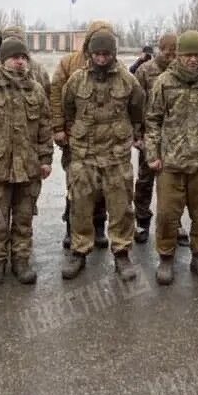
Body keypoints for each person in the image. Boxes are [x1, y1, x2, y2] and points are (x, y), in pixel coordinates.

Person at [144, 31, 198, 285]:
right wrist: (153, 154)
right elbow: (153, 121)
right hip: (171, 162)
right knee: (167, 215)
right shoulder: (164, 82)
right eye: (187, 55)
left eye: (196, 54)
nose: (192, 60)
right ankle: (166, 258)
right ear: (179, 56)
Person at [59, 29, 145, 281]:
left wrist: (129, 133)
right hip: (84, 156)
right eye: (97, 53)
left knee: (121, 209)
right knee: (80, 206)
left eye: (106, 53)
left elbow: (138, 109)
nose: (101, 58)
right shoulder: (76, 80)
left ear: (113, 54)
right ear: (90, 54)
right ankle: (79, 251)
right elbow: (68, 109)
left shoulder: (128, 81)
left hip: (116, 157)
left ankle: (121, 253)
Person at [0, 38, 53, 287]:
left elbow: (45, 128)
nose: (19, 61)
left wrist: (46, 159)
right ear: (2, 60)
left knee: (24, 217)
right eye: (14, 57)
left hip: (28, 168)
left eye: (24, 57)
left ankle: (21, 260)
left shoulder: (36, 90)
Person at [51, 20, 113, 251]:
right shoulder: (69, 63)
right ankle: (73, 228)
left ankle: (98, 226)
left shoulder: (115, 67)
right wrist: (58, 127)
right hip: (75, 137)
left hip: (106, 141)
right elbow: (56, 94)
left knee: (103, 187)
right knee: (76, 185)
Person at [133, 32, 178, 244]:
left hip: (176, 137)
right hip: (149, 134)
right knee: (145, 179)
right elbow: (135, 104)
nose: (170, 57)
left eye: (174, 53)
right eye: (167, 52)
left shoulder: (181, 70)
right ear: (160, 49)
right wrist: (137, 134)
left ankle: (174, 224)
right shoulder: (145, 70)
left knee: (174, 183)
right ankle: (142, 221)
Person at [0, 24, 50, 89]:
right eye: (9, 43)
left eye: (17, 42)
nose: (14, 47)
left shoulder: (38, 69)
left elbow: (46, 97)